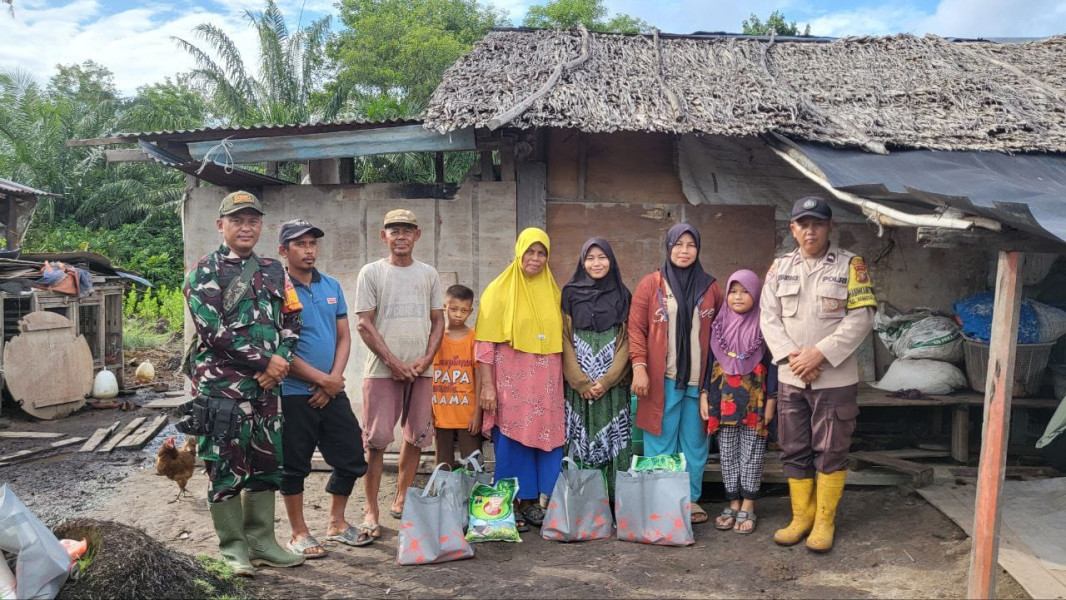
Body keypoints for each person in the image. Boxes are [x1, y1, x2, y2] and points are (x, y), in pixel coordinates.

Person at [183, 190, 305, 576]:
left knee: (267, 464)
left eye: (252, 220)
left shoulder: (273, 270)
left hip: (267, 390)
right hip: (223, 391)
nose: (246, 227)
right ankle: (233, 548)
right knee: (224, 466)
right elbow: (214, 332)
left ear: (261, 226)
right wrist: (267, 360)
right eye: (237, 220)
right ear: (221, 226)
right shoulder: (204, 272)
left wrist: (280, 361)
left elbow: (292, 320)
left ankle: (263, 542)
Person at [760, 196, 876, 552]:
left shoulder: (850, 266)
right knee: (793, 448)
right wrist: (792, 357)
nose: (810, 230)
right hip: (792, 376)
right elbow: (768, 316)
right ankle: (801, 517)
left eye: (818, 224)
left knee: (831, 449)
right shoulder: (779, 268)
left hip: (833, 379)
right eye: (803, 224)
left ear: (830, 227)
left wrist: (819, 353)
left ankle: (824, 520)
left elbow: (862, 317)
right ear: (793, 229)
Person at [276, 219, 373, 558]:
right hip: (292, 393)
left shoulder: (331, 285)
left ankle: (336, 523)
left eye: (312, 244)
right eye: (300, 244)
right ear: (283, 251)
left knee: (351, 456)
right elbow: (278, 349)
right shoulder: (276, 290)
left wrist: (332, 382)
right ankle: (299, 533)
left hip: (331, 390)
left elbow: (344, 336)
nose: (308, 250)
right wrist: (322, 380)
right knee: (294, 465)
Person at [355, 208, 444, 538]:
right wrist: (393, 362)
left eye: (407, 229)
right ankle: (371, 508)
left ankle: (402, 495)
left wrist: (425, 359)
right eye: (394, 230)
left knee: (416, 436)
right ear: (384, 236)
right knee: (376, 442)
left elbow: (438, 321)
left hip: (421, 372)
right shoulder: (372, 273)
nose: (401, 235)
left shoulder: (428, 274)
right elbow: (364, 323)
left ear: (417, 235)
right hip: (381, 371)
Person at [628, 222, 723, 525]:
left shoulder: (710, 287)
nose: (684, 251)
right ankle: (662, 499)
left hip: (699, 381)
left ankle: (691, 500)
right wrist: (639, 367)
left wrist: (712, 383)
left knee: (695, 444)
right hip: (662, 378)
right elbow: (636, 329)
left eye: (691, 245)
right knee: (660, 440)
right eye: (678, 245)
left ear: (698, 249)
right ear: (669, 248)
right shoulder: (651, 284)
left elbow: (720, 332)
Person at [476, 227, 565, 531]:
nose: (536, 258)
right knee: (513, 440)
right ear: (519, 252)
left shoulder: (554, 292)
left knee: (543, 441)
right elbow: (485, 345)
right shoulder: (498, 290)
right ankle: (509, 503)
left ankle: (531, 504)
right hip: (511, 385)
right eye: (530, 251)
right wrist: (487, 385)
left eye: (542, 253)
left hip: (546, 387)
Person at [700, 269, 777, 534]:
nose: (738, 297)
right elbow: (709, 365)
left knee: (752, 453)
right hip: (723, 400)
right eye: (733, 291)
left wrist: (771, 401)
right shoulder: (718, 326)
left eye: (745, 291)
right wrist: (704, 395)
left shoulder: (765, 326)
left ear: (756, 294)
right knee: (728, 452)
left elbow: (775, 366)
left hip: (754, 399)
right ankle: (732, 501)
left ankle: (749, 504)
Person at [560, 237, 633, 499]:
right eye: (590, 258)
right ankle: (580, 501)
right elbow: (564, 338)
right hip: (578, 386)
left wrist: (608, 380)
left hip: (611, 386)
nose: (596, 263)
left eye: (602, 257)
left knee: (614, 437)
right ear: (582, 262)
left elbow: (627, 340)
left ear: (611, 261)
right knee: (578, 438)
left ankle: (615, 500)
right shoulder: (569, 294)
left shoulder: (623, 295)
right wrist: (580, 381)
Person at [431, 284, 483, 467]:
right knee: (443, 465)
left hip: (467, 416)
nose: (458, 314)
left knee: (473, 465)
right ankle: (444, 496)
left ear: (471, 311)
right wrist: (428, 413)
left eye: (464, 310)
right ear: (444, 306)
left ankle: (472, 496)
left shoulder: (473, 338)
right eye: (453, 309)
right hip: (440, 413)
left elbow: (479, 378)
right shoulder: (435, 337)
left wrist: (477, 413)